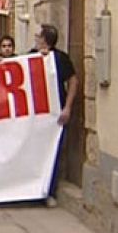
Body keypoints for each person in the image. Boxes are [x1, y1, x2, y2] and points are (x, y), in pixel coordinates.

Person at [31, 24, 79, 207]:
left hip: (55, 114)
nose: (36, 38)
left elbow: (73, 81)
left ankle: (49, 191)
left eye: (38, 36)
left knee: (52, 152)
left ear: (45, 39)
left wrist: (67, 108)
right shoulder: (31, 55)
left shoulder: (60, 58)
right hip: (35, 115)